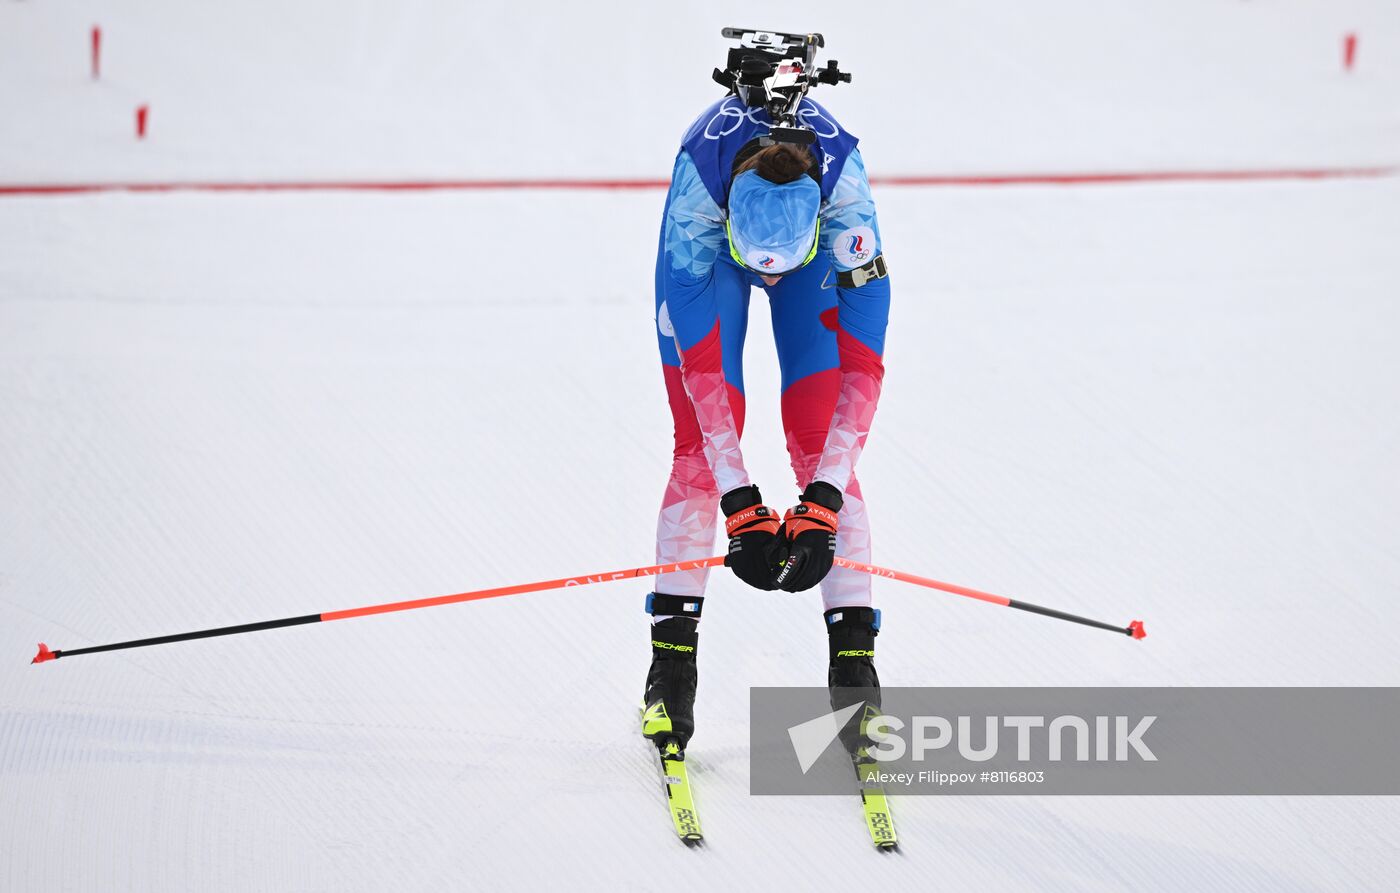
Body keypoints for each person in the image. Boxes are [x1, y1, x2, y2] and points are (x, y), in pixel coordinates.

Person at [641, 82, 892, 754]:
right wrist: (740, 503)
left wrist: (824, 503)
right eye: (763, 270)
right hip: (712, 250)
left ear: (821, 230)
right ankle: (671, 667)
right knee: (697, 450)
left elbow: (862, 373)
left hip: (803, 245)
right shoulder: (699, 217)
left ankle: (854, 667)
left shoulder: (848, 218)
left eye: (785, 268)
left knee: (819, 442)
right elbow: (702, 380)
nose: (772, 283)